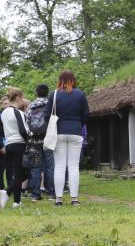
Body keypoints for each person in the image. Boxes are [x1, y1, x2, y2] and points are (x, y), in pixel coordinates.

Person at [44, 70, 89, 206]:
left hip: (59, 132)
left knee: (59, 166)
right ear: (73, 80)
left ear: (60, 80)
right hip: (75, 132)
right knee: (73, 166)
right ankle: (74, 199)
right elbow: (86, 115)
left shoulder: (54, 94)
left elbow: (47, 115)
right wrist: (77, 124)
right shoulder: (80, 94)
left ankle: (58, 199)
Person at [0, 87, 30, 209]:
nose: (23, 101)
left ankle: (16, 201)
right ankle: (8, 192)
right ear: (18, 98)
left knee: (18, 173)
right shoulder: (19, 113)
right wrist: (29, 142)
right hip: (19, 144)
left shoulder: (3, 113)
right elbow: (23, 130)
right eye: (22, 98)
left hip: (9, 144)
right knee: (22, 174)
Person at [27, 84, 55, 201]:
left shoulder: (31, 105)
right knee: (50, 167)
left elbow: (27, 122)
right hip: (48, 140)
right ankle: (51, 193)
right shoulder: (52, 104)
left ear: (36, 93)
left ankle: (35, 194)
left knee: (36, 167)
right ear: (47, 92)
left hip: (35, 141)